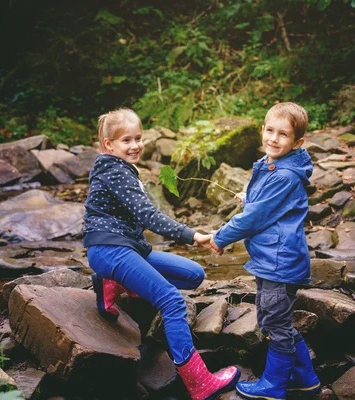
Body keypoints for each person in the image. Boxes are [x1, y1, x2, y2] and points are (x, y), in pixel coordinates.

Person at [83, 108, 240, 400]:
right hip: (110, 250)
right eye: (126, 140)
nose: (135, 146)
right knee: (171, 300)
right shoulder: (115, 171)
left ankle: (112, 284)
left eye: (138, 138)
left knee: (194, 275)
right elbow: (150, 217)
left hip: (129, 248)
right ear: (109, 145)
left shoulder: (120, 169)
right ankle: (199, 382)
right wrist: (193, 235)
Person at [210, 102, 320, 399]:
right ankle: (306, 378)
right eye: (269, 130)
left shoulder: (284, 175)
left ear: (297, 142)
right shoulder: (277, 166)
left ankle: (273, 385)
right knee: (276, 319)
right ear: (262, 130)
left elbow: (255, 218)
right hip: (274, 259)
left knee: (274, 321)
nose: (273, 138)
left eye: (282, 134)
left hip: (279, 263)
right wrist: (249, 196)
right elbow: (268, 205)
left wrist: (219, 238)